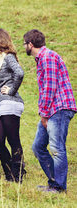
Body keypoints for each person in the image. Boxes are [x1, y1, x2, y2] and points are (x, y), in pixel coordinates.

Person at [23, 29, 76, 193]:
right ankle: (54, 183)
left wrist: (44, 113)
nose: (24, 47)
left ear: (30, 44)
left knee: (57, 149)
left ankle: (59, 187)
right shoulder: (42, 59)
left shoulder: (48, 57)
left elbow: (50, 87)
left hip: (58, 109)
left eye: (24, 44)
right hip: (51, 110)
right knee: (38, 147)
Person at [0, 28, 26, 182]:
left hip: (11, 103)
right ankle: (10, 172)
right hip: (0, 106)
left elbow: (20, 73)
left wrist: (11, 90)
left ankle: (16, 176)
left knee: (13, 140)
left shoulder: (8, 57)